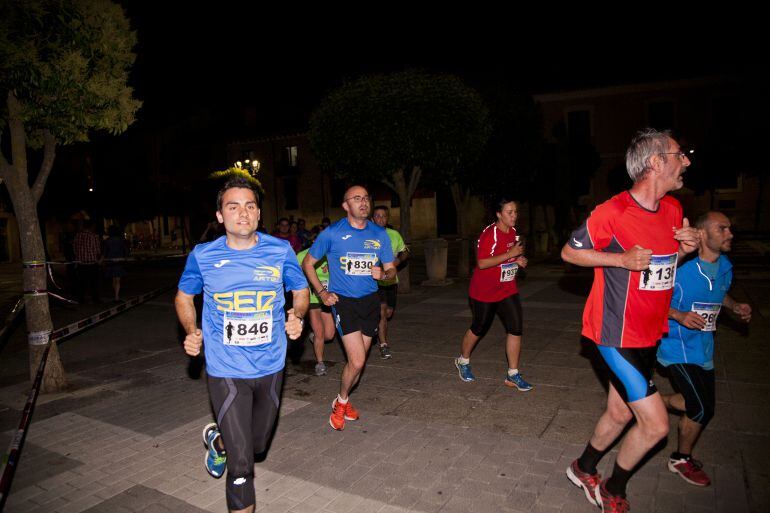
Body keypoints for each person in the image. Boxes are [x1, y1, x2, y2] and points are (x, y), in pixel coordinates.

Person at [561, 128, 700, 512]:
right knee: (655, 425)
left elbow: (659, 270)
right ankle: (613, 489)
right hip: (614, 332)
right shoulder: (613, 211)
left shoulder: (672, 210)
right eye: (678, 154)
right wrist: (619, 259)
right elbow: (570, 254)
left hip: (649, 333)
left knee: (620, 411)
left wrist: (685, 251)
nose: (685, 160)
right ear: (656, 163)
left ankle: (583, 467)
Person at [175, 177, 308, 513]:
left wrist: (299, 315)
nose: (242, 213)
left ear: (259, 213)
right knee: (243, 466)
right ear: (220, 216)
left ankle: (218, 441)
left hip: (271, 365)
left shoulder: (279, 250)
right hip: (225, 369)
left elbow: (301, 290)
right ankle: (233, 456)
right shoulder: (203, 256)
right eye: (233, 206)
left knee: (258, 445)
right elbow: (184, 296)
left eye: (250, 206)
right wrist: (191, 330)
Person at [658, 211, 751, 487]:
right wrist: (679, 315)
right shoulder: (682, 267)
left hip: (703, 347)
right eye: (722, 229)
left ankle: (652, 402)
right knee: (700, 407)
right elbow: (651, 300)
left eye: (729, 228)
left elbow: (719, 292)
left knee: (702, 406)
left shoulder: (725, 266)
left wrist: (735, 307)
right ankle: (680, 458)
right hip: (676, 345)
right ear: (701, 234)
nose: (729, 233)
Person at [302, 185, 395, 431]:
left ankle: (342, 399)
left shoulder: (379, 234)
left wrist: (384, 273)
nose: (363, 202)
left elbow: (391, 268)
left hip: (371, 302)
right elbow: (308, 263)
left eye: (366, 198)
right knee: (356, 359)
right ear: (346, 205)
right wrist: (322, 293)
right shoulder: (332, 233)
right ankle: (341, 402)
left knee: (360, 363)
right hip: (345, 303)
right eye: (357, 198)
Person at [454, 199, 532, 391]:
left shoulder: (513, 232)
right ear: (499, 214)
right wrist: (510, 255)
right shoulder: (490, 234)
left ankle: (512, 374)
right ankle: (463, 361)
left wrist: (518, 260)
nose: (514, 215)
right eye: (509, 212)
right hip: (484, 291)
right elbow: (482, 263)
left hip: (507, 288)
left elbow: (510, 256)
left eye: (515, 212)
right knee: (479, 327)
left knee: (516, 327)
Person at [372, 205, 409, 359]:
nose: (381, 219)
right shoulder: (367, 236)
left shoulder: (394, 235)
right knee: (382, 311)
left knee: (388, 313)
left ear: (387, 218)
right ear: (372, 219)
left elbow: (405, 251)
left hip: (391, 281)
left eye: (384, 216)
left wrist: (398, 261)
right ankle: (384, 345)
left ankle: (374, 328)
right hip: (374, 282)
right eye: (377, 216)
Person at [296, 246, 336, 375]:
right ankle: (320, 363)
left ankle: (314, 337)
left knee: (329, 335)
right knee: (319, 332)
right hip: (312, 298)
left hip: (326, 298)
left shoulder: (333, 254)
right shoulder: (303, 255)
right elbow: (293, 275)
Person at [73, 219, 102, 303]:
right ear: (92, 226)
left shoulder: (77, 236)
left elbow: (74, 249)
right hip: (92, 263)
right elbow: (97, 251)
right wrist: (99, 260)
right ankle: (95, 299)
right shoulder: (94, 236)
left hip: (81, 263)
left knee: (82, 282)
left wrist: (79, 256)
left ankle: (81, 299)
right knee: (94, 282)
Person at [103, 225, 129, 302]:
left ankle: (115, 294)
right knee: (117, 279)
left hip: (110, 261)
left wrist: (102, 260)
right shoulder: (121, 240)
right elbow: (126, 250)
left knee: (113, 279)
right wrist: (125, 257)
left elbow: (105, 252)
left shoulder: (107, 241)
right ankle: (116, 296)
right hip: (119, 261)